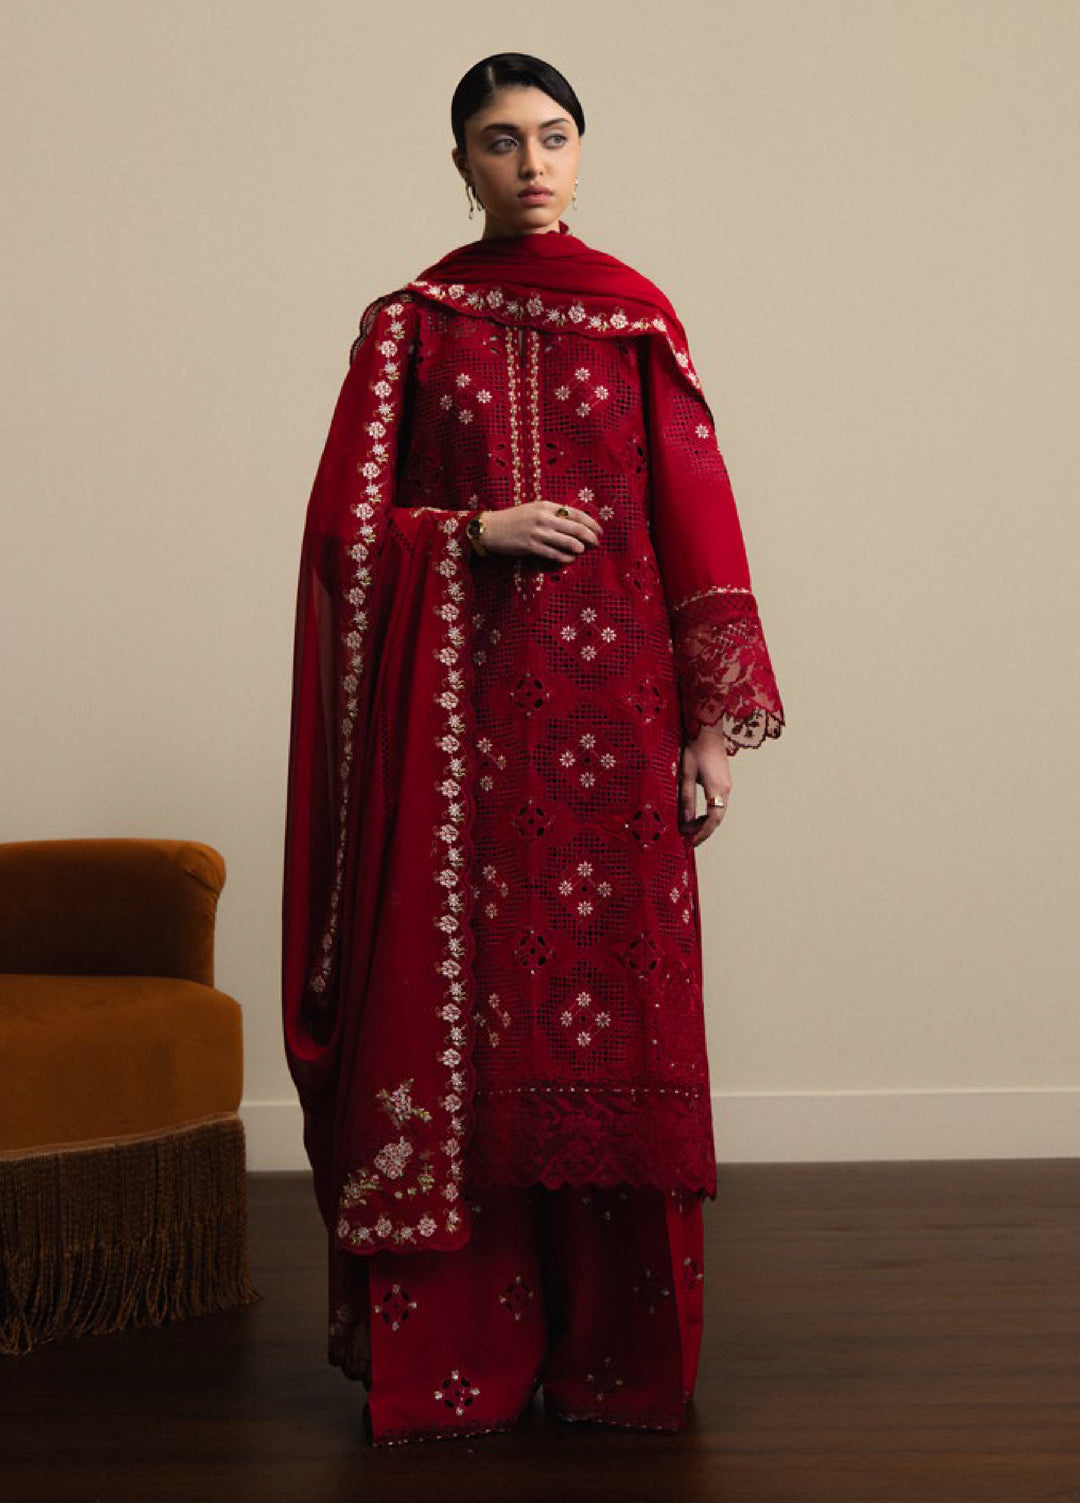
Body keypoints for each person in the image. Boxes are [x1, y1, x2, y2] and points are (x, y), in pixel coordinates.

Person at [281, 51, 785, 1447]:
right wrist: (468, 533)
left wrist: (709, 723)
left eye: (554, 136)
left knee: (620, 1030)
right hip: (456, 747)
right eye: (501, 141)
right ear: (461, 164)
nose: (532, 163)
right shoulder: (411, 326)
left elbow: (697, 519)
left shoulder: (633, 320)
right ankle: (467, 1361)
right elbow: (340, 538)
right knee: (469, 1034)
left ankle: (619, 1358)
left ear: (581, 149)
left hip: (616, 729)